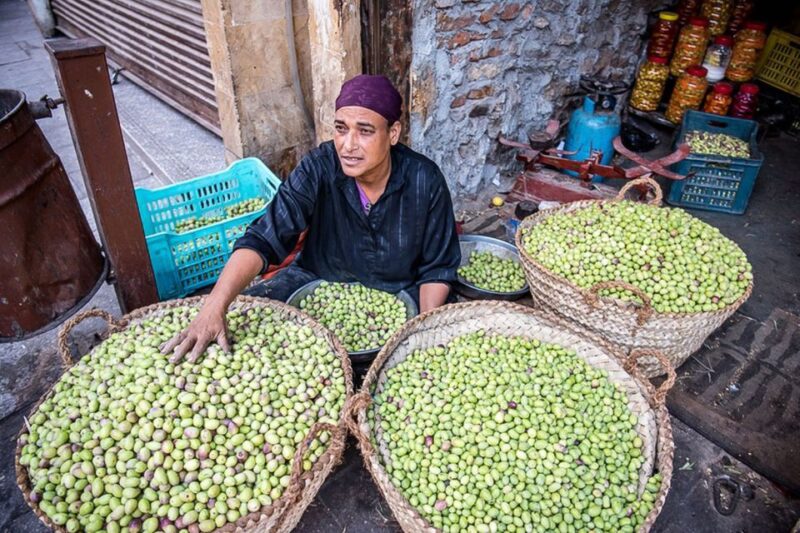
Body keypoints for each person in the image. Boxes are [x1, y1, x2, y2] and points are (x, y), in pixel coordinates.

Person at [163, 74, 461, 363]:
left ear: (393, 133)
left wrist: (422, 332)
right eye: (341, 129)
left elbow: (437, 268)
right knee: (244, 333)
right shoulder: (319, 166)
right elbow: (266, 236)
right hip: (316, 280)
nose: (348, 144)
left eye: (365, 131)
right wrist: (213, 307)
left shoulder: (425, 180)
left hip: (397, 293)